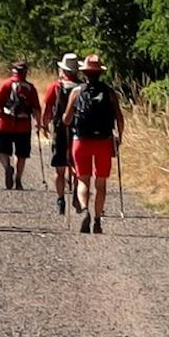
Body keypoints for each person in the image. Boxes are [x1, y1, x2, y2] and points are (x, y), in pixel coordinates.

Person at [60, 53, 125, 234]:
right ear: (100, 73)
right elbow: (119, 117)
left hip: (81, 141)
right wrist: (119, 136)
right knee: (101, 183)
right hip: (103, 141)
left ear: (84, 73)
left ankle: (84, 210)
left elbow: (66, 119)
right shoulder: (109, 92)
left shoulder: (76, 92)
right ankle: (97, 220)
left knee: (83, 180)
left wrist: (67, 119)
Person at [40, 53, 83, 215]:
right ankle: (76, 194)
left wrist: (43, 125)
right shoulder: (81, 87)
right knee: (76, 166)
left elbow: (47, 108)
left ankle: (60, 199)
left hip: (59, 129)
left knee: (59, 168)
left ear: (63, 70)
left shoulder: (55, 87)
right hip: (78, 130)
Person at [0, 61, 42, 190]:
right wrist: (39, 124)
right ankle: (18, 179)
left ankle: (7, 167)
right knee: (22, 154)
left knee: (3, 151)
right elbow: (36, 108)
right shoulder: (30, 88)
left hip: (6, 124)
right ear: (25, 73)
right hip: (24, 125)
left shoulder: (6, 85)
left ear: (13, 71)